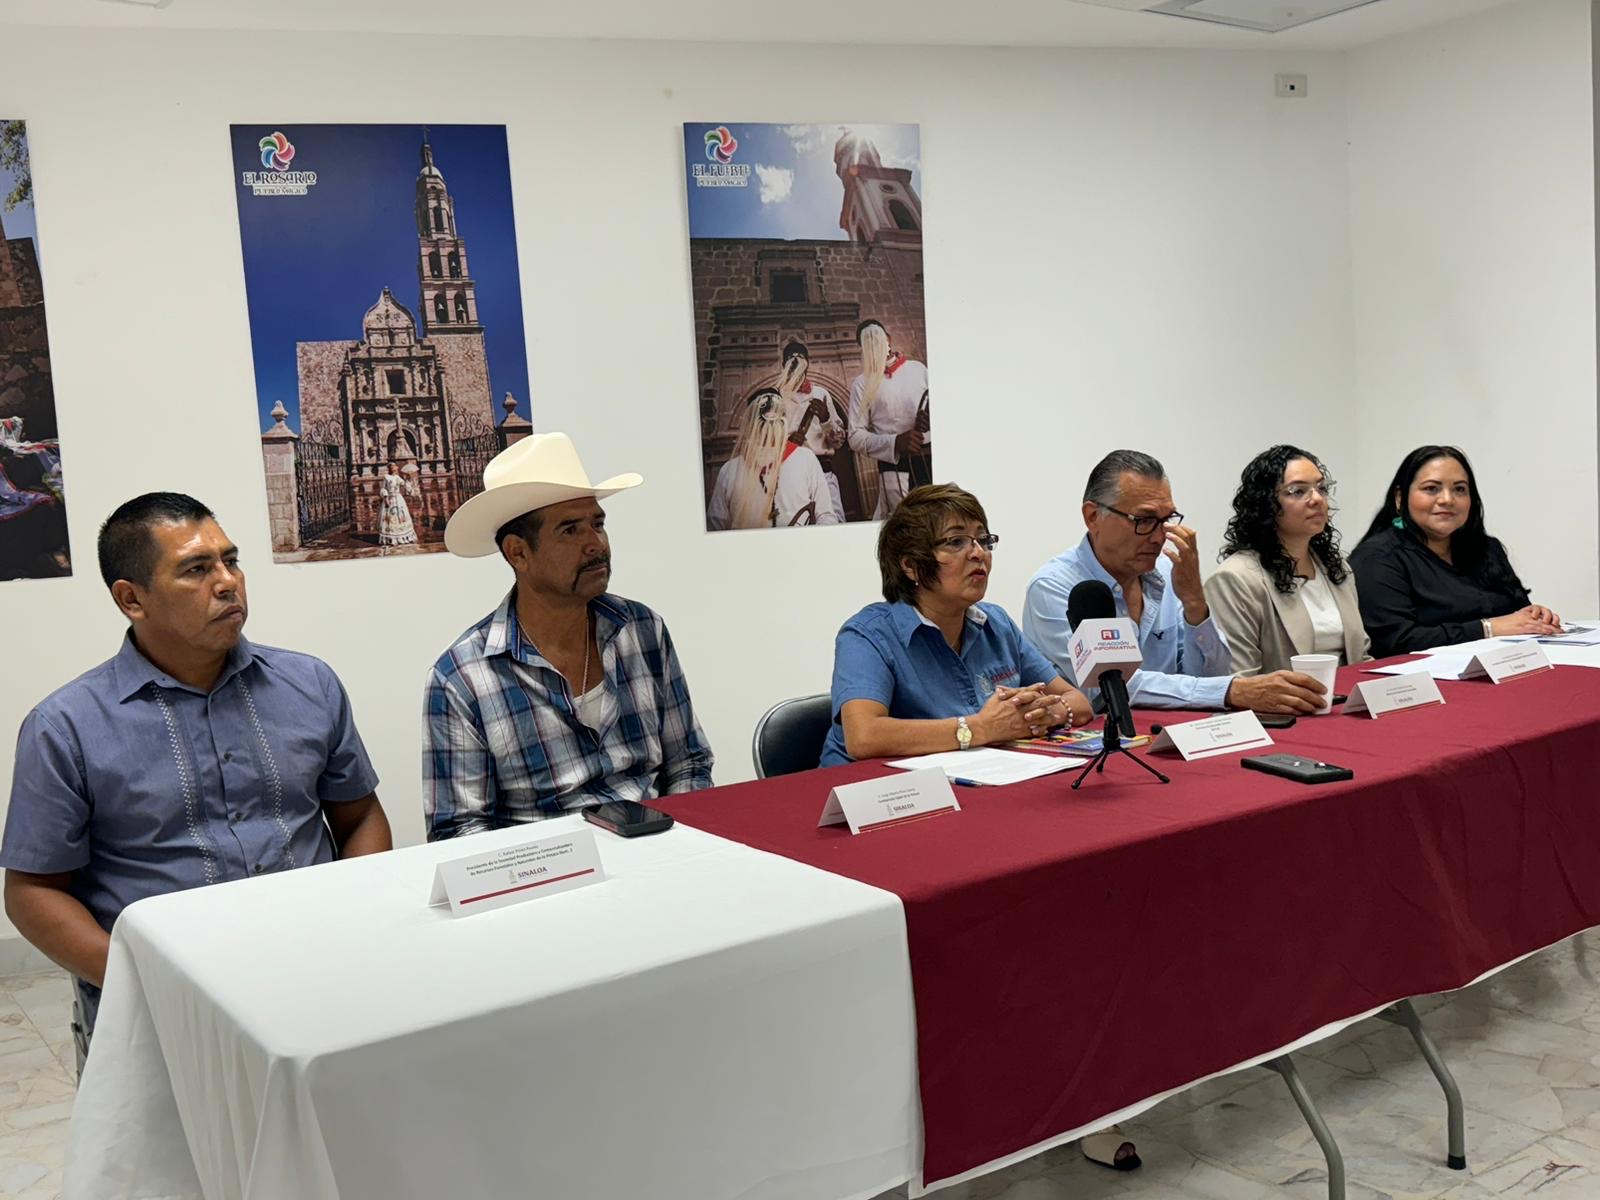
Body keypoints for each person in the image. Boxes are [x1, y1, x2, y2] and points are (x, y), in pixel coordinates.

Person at [1, 493, 390, 1067]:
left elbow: (359, 817)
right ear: (132, 599)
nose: (228, 582)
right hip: (159, 1014)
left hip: (320, 980)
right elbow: (33, 892)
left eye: (230, 561)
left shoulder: (309, 684)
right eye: (196, 569)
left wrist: (356, 924)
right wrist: (146, 982)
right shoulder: (66, 727)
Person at [426, 433, 714, 839]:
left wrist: (681, 843)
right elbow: (459, 829)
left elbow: (688, 763)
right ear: (518, 553)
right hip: (549, 867)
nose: (595, 544)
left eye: (598, 524)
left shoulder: (642, 630)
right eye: (569, 530)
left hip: (659, 845)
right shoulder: (463, 677)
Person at [1025, 450, 1328, 715]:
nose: (1159, 537)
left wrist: (1195, 604)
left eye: (1167, 520)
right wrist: (1231, 691)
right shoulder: (1054, 587)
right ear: (1093, 517)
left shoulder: (1166, 571)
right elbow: (1107, 689)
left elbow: (1210, 677)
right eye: (1144, 521)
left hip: (1177, 734)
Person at [821, 482, 1092, 764]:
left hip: (979, 776)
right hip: (879, 787)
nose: (978, 553)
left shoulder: (997, 623)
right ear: (910, 565)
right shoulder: (867, 635)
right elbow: (864, 737)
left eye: (983, 540)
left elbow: (1078, 701)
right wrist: (981, 728)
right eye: (956, 542)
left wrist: (1047, 713)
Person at [1350, 445, 1560, 656]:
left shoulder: (1487, 549)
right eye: (1431, 488)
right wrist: (1487, 629)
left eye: (1459, 489)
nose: (1447, 500)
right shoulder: (1377, 558)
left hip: (1506, 664)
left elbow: (1516, 616)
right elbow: (1395, 642)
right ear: (1400, 498)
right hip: (1422, 674)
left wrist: (1536, 616)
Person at [1205, 445, 1371, 675]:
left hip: (1345, 693)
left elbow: (1360, 658)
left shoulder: (1336, 568)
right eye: (1297, 491)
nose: (1317, 499)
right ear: (1266, 504)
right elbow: (1241, 680)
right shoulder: (1235, 579)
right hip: (1281, 699)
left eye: (1321, 488)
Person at [708, 390, 839, 530]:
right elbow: (716, 527)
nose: (770, 426)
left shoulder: (806, 458)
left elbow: (826, 517)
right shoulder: (730, 471)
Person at [846, 319, 931, 518]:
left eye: (878, 336)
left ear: (889, 339)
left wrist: (931, 420)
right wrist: (894, 442)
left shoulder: (918, 369)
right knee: (907, 523)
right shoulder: (861, 384)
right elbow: (855, 436)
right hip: (895, 468)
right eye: (866, 342)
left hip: (931, 459)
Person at [776, 339, 848, 522]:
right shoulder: (777, 397)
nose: (795, 361)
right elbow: (767, 439)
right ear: (783, 364)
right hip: (791, 472)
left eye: (800, 357)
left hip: (823, 469)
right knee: (796, 521)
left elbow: (839, 442)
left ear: (807, 363)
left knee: (833, 520)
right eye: (790, 358)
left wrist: (826, 419)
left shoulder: (821, 394)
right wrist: (787, 444)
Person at [378, 447, 420, 548]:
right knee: (390, 517)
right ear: (390, 468)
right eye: (393, 467)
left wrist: (408, 479)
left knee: (400, 515)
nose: (395, 468)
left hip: (398, 498)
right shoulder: (386, 477)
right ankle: (391, 537)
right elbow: (383, 488)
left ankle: (402, 536)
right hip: (390, 498)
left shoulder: (397, 477)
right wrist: (386, 498)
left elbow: (404, 485)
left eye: (395, 467)